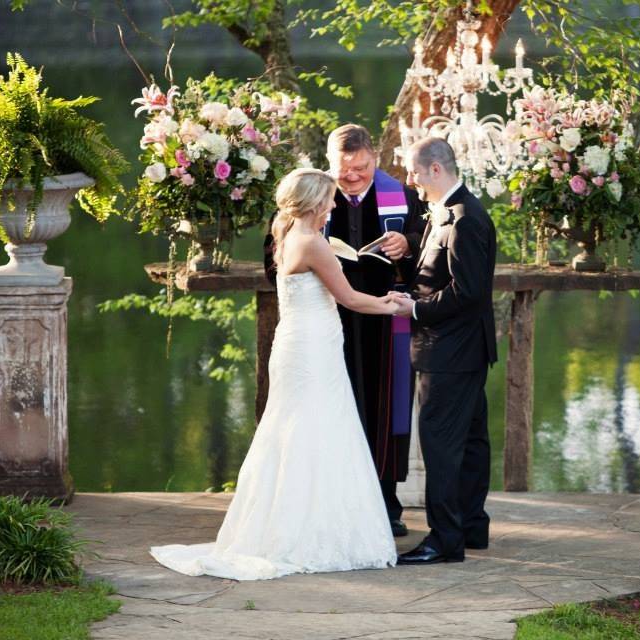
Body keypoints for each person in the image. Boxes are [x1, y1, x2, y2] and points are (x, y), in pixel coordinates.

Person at [151, 169, 401, 580]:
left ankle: (289, 523)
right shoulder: (312, 242)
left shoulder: (284, 229)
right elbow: (351, 298)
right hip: (312, 347)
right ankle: (309, 533)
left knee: (294, 431)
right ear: (315, 203)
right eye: (330, 200)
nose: (334, 207)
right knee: (319, 429)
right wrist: (391, 304)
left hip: (298, 343)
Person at [265, 124, 426, 537]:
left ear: (375, 157)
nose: (353, 177)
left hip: (384, 326)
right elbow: (274, 265)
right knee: (331, 410)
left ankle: (385, 501)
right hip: (329, 322)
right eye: (344, 169)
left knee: (383, 408)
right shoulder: (308, 201)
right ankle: (326, 500)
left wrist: (406, 244)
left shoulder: (402, 197)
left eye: (362, 167)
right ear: (330, 164)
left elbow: (428, 252)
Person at [393, 138, 498, 564]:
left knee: (441, 445)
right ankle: (471, 527)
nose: (411, 181)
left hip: (451, 353)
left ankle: (444, 540)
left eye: (415, 173)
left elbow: (468, 293)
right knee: (471, 443)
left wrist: (414, 308)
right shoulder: (448, 214)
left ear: (436, 170)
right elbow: (438, 275)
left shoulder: (466, 219)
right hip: (459, 351)